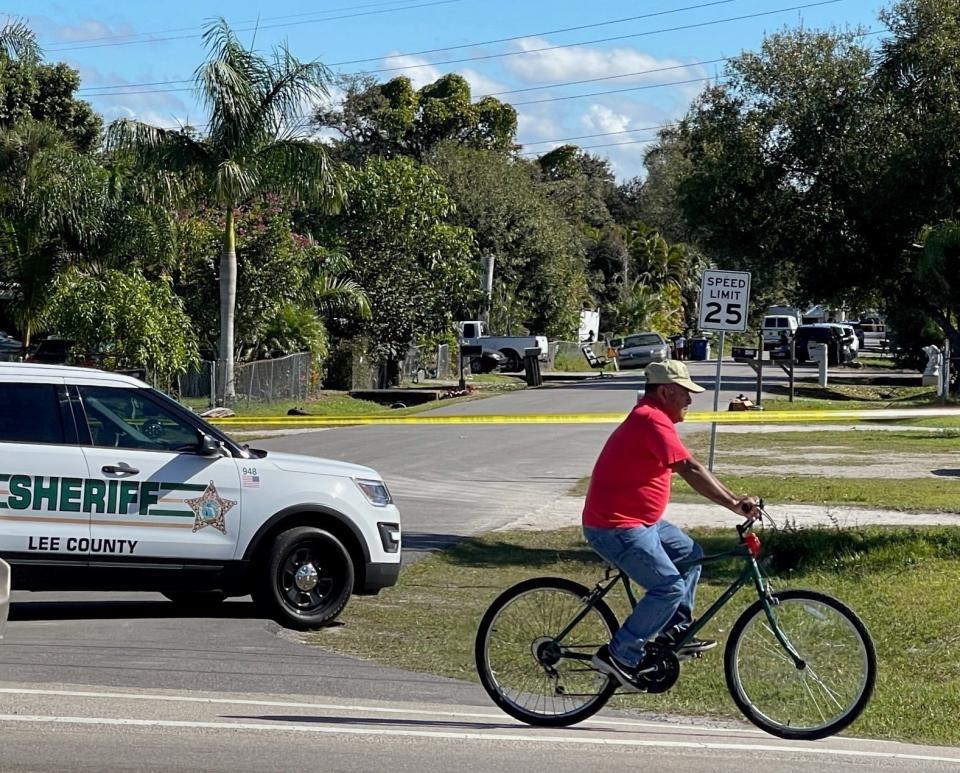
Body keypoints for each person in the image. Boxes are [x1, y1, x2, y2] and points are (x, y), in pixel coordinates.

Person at [582, 359, 759, 692]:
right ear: (665, 392)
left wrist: (734, 501)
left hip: (643, 523)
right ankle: (620, 655)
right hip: (615, 527)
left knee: (691, 554)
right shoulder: (650, 419)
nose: (690, 401)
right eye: (685, 394)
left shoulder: (654, 418)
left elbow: (689, 467)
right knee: (669, 587)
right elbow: (690, 469)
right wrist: (735, 504)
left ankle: (673, 632)